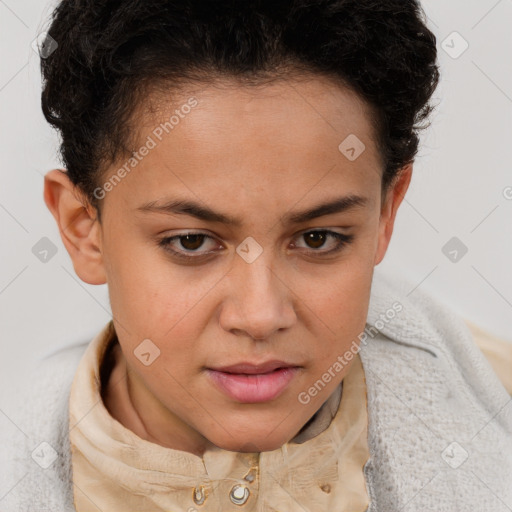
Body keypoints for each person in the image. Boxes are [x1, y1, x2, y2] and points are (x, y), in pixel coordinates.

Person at [2, 0, 511, 510]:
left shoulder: (493, 401)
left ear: (385, 214)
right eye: (192, 241)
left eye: (318, 238)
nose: (261, 316)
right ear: (83, 229)